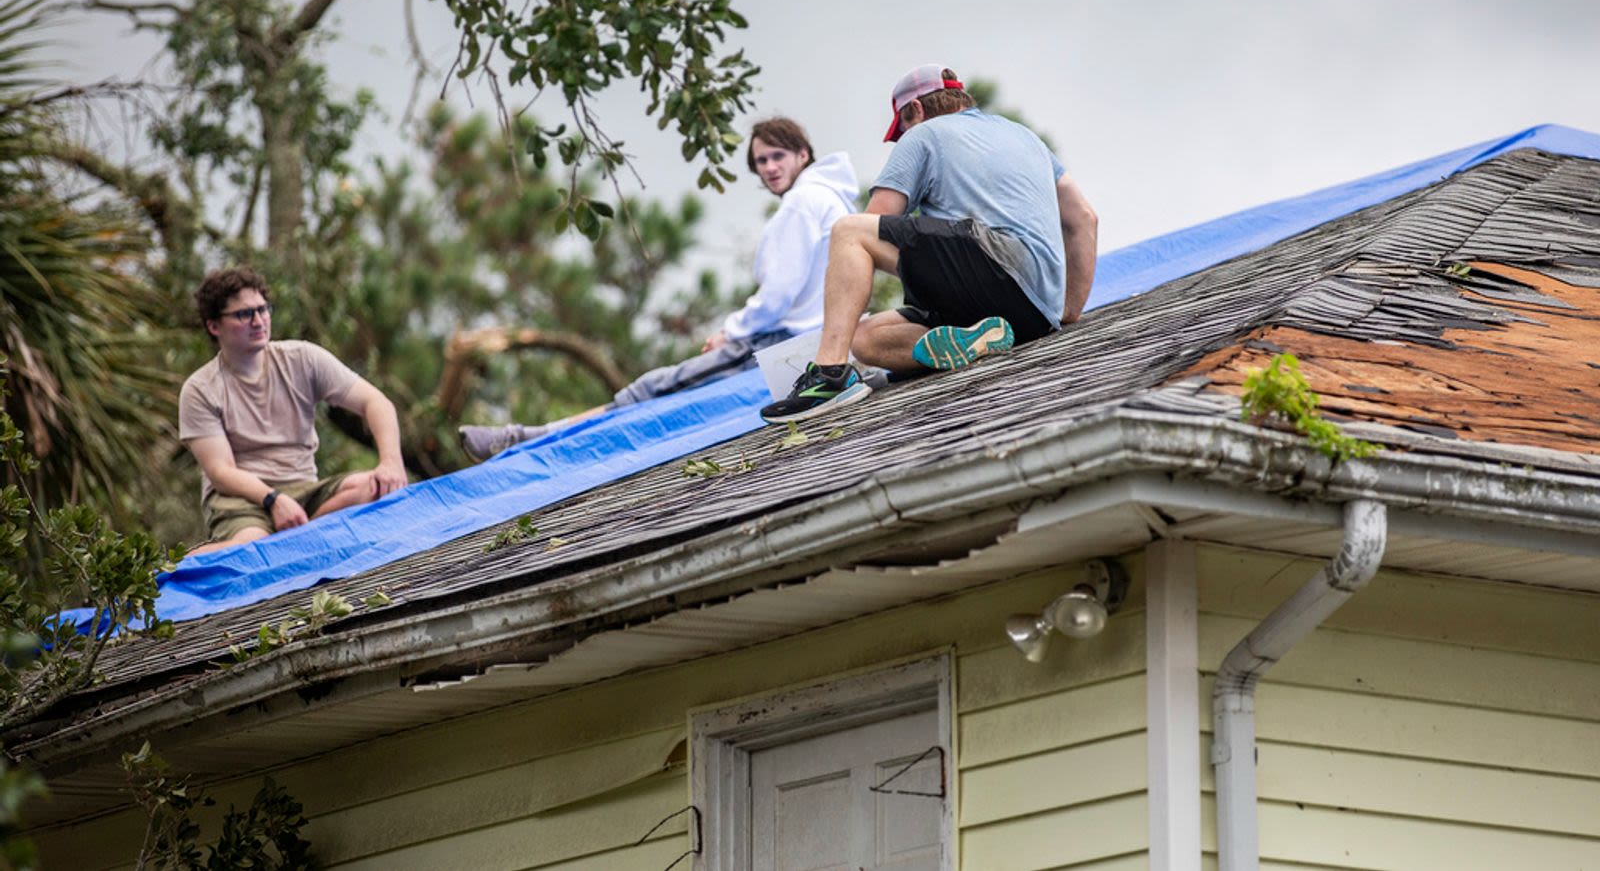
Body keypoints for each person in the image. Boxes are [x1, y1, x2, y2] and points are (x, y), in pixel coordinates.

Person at [459, 117, 859, 460]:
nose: (769, 167)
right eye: (761, 161)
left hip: (779, 339)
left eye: (778, 156)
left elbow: (778, 294)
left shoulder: (801, 203)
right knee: (659, 391)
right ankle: (532, 435)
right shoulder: (832, 200)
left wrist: (730, 332)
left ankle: (528, 439)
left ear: (803, 154)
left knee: (654, 390)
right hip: (821, 336)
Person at [759, 64, 1098, 423]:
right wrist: (1066, 312)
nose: (903, 134)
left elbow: (874, 223)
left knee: (849, 232)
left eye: (902, 126)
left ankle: (829, 375)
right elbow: (1084, 218)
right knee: (864, 339)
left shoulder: (923, 135)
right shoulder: (1025, 135)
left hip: (992, 267)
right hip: (1031, 315)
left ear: (915, 110)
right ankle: (968, 343)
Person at [178, 267, 407, 555]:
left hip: (304, 490)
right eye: (244, 314)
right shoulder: (199, 389)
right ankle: (177, 568)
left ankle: (296, 538)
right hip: (241, 500)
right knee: (250, 550)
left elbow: (377, 403)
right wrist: (273, 500)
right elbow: (221, 472)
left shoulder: (302, 358)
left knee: (375, 489)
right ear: (214, 326)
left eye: (263, 309)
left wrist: (391, 463)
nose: (259, 320)